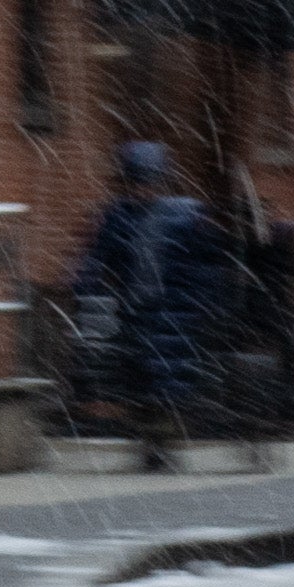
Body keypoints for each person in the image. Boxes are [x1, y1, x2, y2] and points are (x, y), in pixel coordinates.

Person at [68, 141, 228, 471]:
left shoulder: (184, 216)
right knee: (141, 379)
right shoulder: (119, 217)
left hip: (175, 312)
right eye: (137, 182)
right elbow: (97, 259)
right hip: (139, 311)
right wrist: (85, 284)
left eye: (148, 182)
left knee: (166, 382)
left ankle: (160, 442)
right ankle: (152, 441)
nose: (143, 189)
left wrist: (202, 303)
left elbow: (205, 264)